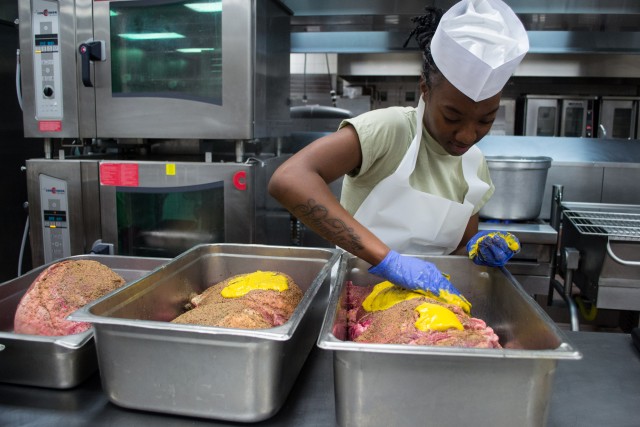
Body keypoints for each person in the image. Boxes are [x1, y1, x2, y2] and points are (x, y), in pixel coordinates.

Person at [268, 0, 528, 309]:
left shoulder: (474, 165)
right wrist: (389, 261)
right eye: (452, 117)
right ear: (425, 90)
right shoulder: (389, 130)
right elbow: (288, 180)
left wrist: (476, 249)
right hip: (355, 303)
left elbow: (458, 251)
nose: (467, 136)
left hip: (429, 311)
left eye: (485, 120)